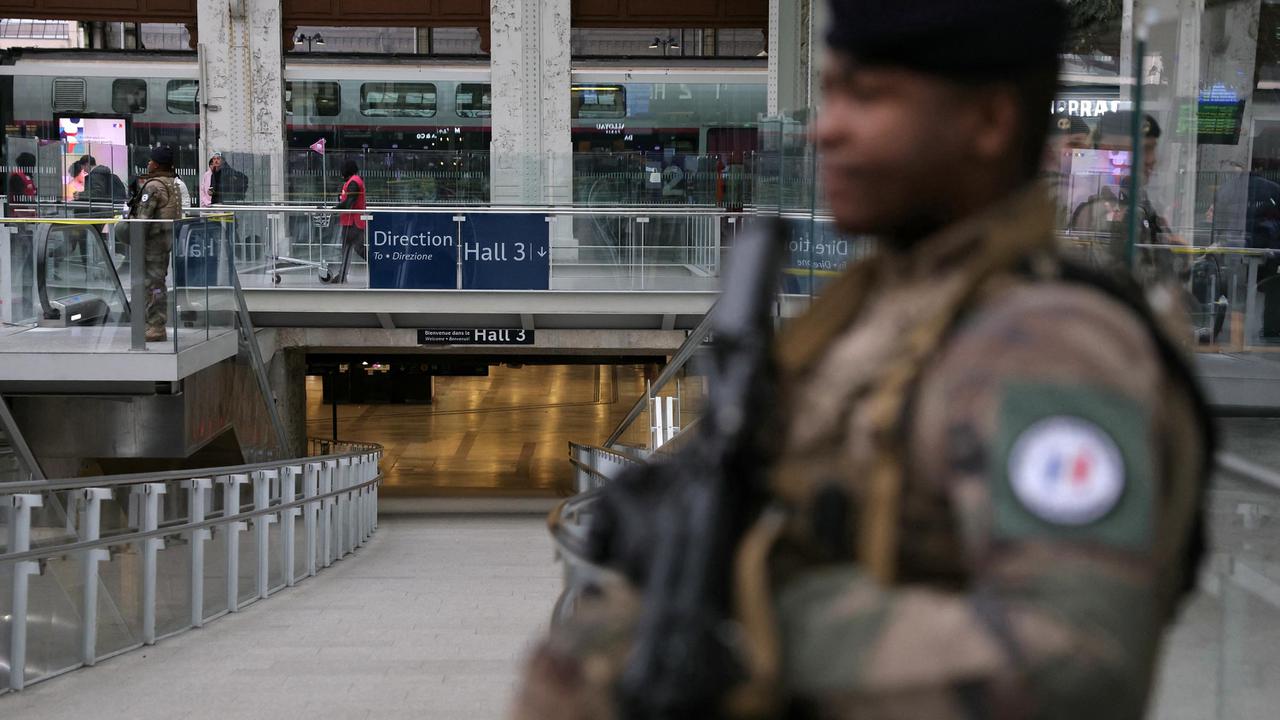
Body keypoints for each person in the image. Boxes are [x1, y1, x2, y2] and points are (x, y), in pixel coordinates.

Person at [513, 1, 1213, 719]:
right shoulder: (886, 308)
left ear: (989, 123)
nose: (826, 127)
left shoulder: (1050, 346)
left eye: (868, 96)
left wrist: (737, 612)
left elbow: (1076, 661)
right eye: (832, 91)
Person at [128, 146, 184, 342]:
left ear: (157, 164)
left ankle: (155, 326)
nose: (148, 163)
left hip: (151, 243)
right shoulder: (172, 183)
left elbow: (143, 217)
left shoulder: (153, 186)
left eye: (151, 160)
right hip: (164, 241)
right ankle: (154, 324)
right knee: (157, 283)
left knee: (152, 285)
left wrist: (130, 230)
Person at [326, 159, 367, 284]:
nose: (341, 175)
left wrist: (333, 209)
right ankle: (342, 275)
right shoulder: (353, 181)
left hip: (353, 222)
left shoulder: (353, 182)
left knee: (355, 249)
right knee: (352, 249)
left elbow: (348, 203)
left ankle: (342, 276)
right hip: (352, 221)